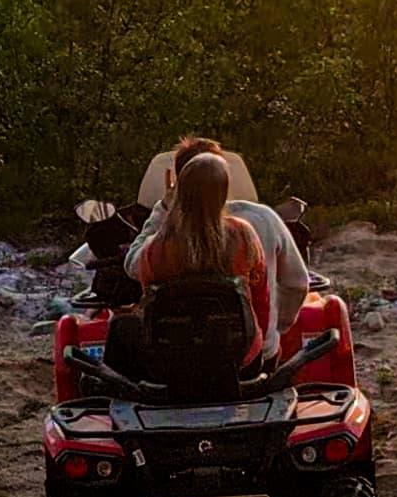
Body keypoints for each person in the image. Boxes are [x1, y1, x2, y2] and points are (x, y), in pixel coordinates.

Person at [125, 134, 308, 354]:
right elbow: (292, 286)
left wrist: (165, 208)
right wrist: (272, 333)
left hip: (175, 362)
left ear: (179, 184)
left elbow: (135, 269)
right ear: (226, 181)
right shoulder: (251, 230)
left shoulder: (160, 244)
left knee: (121, 328)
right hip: (248, 358)